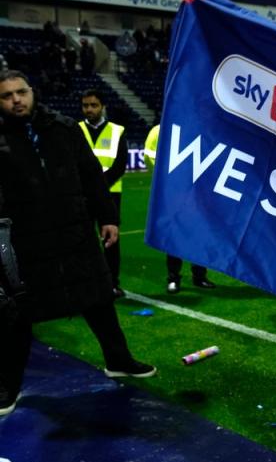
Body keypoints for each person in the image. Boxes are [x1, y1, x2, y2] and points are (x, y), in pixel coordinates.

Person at [0, 70, 155, 416]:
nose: (16, 100)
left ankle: (118, 359)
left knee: (98, 297)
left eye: (21, 92)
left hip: (75, 231)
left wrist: (108, 217)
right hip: (26, 238)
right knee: (18, 313)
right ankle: (8, 386)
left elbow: (91, 176)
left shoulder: (63, 128)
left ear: (32, 92)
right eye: (7, 96)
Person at [142, 123, 217, 293]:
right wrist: (171, 178)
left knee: (198, 233)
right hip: (173, 191)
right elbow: (149, 156)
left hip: (197, 190)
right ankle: (174, 278)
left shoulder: (196, 126)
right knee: (174, 234)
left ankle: (199, 276)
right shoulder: (158, 130)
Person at [78, 88, 127, 297]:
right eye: (85, 105)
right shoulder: (74, 129)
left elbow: (120, 165)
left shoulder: (118, 131)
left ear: (102, 106)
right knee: (81, 240)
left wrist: (97, 186)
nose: (89, 109)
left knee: (111, 242)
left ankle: (112, 283)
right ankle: (86, 284)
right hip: (81, 196)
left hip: (109, 195)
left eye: (93, 105)